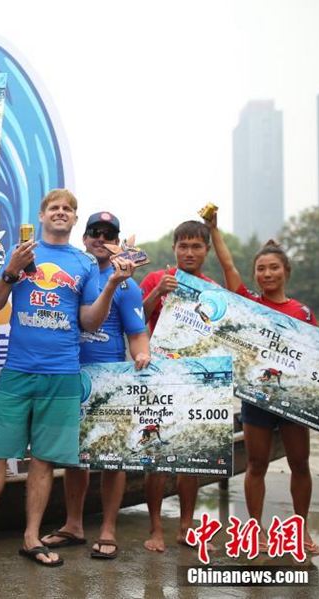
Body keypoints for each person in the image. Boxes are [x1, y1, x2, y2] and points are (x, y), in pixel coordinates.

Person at [0, 191, 137, 567]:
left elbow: (89, 322)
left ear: (74, 219)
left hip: (63, 374)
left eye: (68, 209)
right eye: (54, 208)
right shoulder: (21, 253)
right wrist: (9, 269)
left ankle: (32, 537)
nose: (61, 213)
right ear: (41, 215)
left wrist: (114, 284)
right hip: (18, 370)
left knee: (44, 461)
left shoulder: (84, 264)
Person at [207, 212, 319, 555]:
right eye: (261, 269)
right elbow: (229, 267)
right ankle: (254, 532)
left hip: (295, 400)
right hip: (256, 396)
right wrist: (214, 230)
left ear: (286, 272)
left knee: (299, 463)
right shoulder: (250, 304)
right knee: (256, 464)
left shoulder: (303, 313)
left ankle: (300, 533)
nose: (267, 274)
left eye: (274, 268)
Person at [40, 211, 151, 561]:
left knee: (112, 458)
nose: (101, 239)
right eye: (94, 233)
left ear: (117, 240)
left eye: (109, 234)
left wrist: (143, 354)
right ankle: (73, 525)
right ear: (84, 237)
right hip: (70, 373)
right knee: (75, 458)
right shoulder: (74, 273)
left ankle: (107, 529)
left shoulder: (127, 283)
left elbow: (137, 335)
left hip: (110, 379)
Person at [138, 220, 214, 552]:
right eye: (183, 246)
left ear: (207, 251)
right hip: (158, 379)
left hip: (196, 382)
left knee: (190, 458)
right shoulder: (157, 279)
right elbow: (135, 318)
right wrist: (157, 293)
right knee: (156, 456)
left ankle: (186, 527)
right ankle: (155, 529)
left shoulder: (213, 291)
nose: (189, 252)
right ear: (174, 250)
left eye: (196, 246)